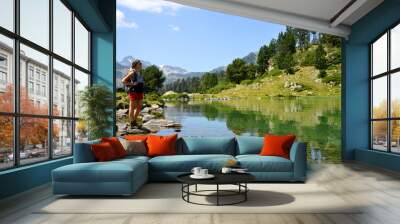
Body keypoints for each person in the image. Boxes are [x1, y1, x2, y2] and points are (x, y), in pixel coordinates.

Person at [122, 59, 145, 129]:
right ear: (135, 65)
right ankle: (132, 123)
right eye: (139, 63)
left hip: (140, 91)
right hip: (134, 91)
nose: (141, 64)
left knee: (139, 106)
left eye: (141, 63)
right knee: (132, 108)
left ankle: (134, 121)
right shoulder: (132, 72)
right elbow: (123, 81)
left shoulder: (139, 72)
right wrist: (132, 84)